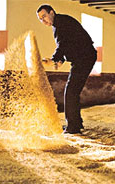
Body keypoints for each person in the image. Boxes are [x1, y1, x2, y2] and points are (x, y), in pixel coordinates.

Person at [37, 4, 97, 134]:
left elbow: (62, 44)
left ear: (51, 12)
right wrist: (61, 60)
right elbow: (70, 43)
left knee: (70, 92)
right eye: (40, 19)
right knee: (72, 91)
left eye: (44, 16)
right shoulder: (60, 23)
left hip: (85, 57)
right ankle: (76, 123)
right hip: (83, 58)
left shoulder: (61, 23)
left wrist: (54, 59)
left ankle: (73, 127)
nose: (43, 20)